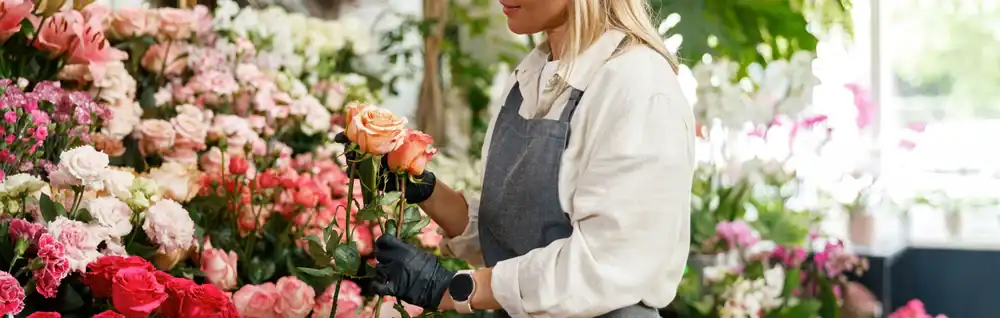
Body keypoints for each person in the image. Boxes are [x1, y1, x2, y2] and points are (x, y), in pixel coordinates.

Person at [340, 0, 694, 316]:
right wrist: (426, 190)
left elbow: (604, 267)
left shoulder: (638, 87)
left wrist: (451, 288)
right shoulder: (532, 75)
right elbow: (515, 239)